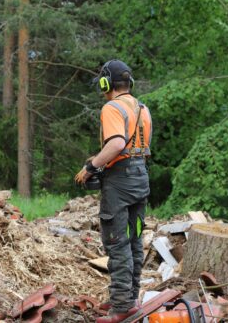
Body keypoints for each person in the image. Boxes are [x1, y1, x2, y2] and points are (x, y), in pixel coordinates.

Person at [75, 60, 153, 323]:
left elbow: (118, 143)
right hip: (141, 176)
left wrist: (91, 166)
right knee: (134, 240)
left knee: (118, 243)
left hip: (120, 182)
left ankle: (121, 307)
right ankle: (128, 298)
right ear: (129, 83)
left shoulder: (112, 107)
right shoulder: (142, 108)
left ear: (105, 83)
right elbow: (134, 146)